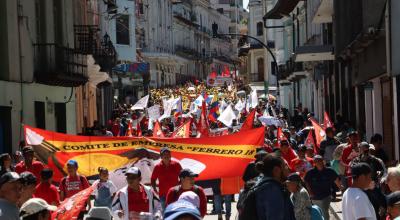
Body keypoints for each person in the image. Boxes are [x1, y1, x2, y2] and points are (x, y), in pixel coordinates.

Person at [253, 154, 295, 220]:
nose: (288, 169)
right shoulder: (272, 190)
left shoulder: (264, 184)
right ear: (276, 170)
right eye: (285, 166)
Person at [304, 155, 342, 220]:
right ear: (314, 163)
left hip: (326, 195)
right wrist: (310, 192)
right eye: (317, 161)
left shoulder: (330, 171)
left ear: (323, 161)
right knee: (319, 211)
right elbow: (306, 181)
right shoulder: (310, 172)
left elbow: (336, 180)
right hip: (315, 196)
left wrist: (340, 187)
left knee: (324, 210)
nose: (319, 162)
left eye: (320, 161)